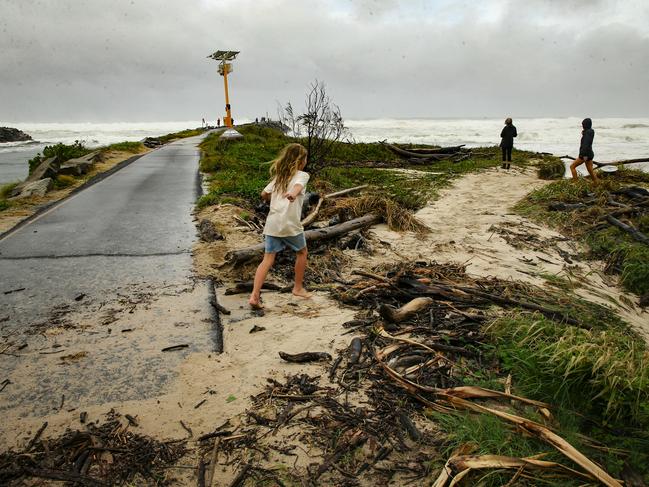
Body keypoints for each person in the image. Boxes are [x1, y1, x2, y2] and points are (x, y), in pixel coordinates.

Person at [249, 143, 312, 309]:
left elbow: (264, 194)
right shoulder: (303, 175)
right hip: (289, 224)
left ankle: (255, 295)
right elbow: (298, 187)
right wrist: (292, 194)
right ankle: (297, 288)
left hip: (273, 223)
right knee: (302, 252)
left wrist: (274, 199)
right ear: (300, 160)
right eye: (305, 158)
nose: (306, 161)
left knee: (267, 259)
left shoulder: (279, 177)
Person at [570, 118, 598, 183]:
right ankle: (597, 183)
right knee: (590, 170)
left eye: (583, 125)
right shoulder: (590, 131)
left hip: (585, 154)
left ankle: (575, 183)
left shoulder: (587, 133)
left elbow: (586, 144)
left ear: (586, 125)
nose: (582, 126)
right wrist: (584, 133)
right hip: (590, 153)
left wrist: (583, 155)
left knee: (572, 167)